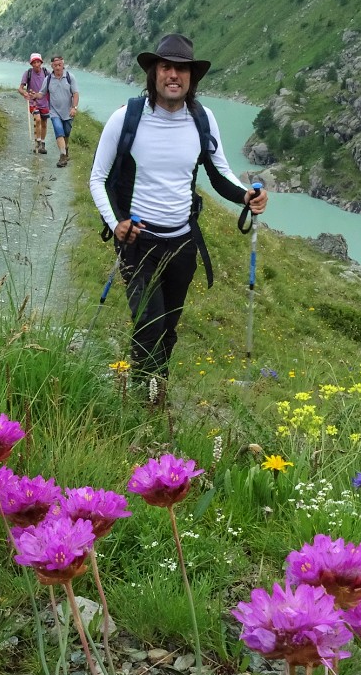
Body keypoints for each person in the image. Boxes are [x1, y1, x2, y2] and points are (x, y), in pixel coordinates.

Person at [89, 33, 268, 402]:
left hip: (184, 242)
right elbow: (98, 177)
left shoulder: (203, 120)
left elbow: (219, 174)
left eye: (182, 69)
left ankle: (157, 393)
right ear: (153, 74)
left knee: (169, 326)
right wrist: (115, 223)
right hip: (138, 242)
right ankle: (143, 395)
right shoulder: (127, 118)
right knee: (149, 323)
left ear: (192, 77)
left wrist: (245, 195)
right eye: (166, 67)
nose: (174, 75)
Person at [44, 55, 79, 167]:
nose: (58, 68)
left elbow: (75, 93)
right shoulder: (48, 79)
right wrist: (34, 95)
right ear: (52, 66)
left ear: (63, 65)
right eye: (55, 65)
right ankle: (63, 156)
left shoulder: (70, 77)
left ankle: (66, 148)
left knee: (66, 133)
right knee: (59, 132)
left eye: (59, 65)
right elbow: (42, 93)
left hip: (68, 112)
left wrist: (74, 107)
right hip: (54, 112)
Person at [18, 53, 50, 155]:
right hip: (33, 102)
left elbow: (53, 84)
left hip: (45, 102)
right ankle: (38, 142)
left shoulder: (46, 72)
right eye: (34, 62)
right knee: (38, 119)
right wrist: (24, 93)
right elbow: (20, 88)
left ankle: (42, 144)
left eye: (38, 62)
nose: (36, 64)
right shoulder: (28, 73)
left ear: (41, 62)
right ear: (31, 64)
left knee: (44, 123)